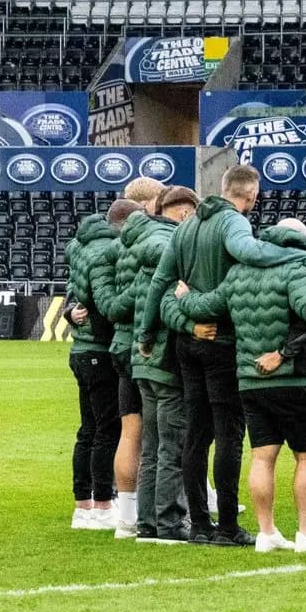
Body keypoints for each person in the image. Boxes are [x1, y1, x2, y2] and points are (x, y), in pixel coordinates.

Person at [165, 217, 306, 554]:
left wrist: (184, 297)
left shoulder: (238, 273)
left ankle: (266, 532)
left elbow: (208, 306)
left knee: (263, 457)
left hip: (250, 380)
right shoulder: (296, 270)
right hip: (295, 377)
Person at [150, 163, 306, 547]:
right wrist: (293, 257)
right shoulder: (232, 222)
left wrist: (145, 331)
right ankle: (227, 527)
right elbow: (247, 251)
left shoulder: (185, 225)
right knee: (228, 434)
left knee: (196, 434)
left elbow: (161, 280)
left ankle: (199, 524)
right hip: (222, 340)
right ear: (250, 196)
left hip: (189, 345)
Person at [129, 186, 199, 544]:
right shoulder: (169, 246)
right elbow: (168, 306)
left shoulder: (144, 243)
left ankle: (148, 523)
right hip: (165, 359)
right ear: (185, 214)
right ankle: (169, 523)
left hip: (143, 361)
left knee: (153, 448)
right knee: (171, 446)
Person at [100, 177, 166, 537]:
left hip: (120, 347)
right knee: (157, 432)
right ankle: (157, 510)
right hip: (144, 345)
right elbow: (124, 300)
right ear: (146, 204)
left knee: (130, 431)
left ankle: (125, 516)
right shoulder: (146, 242)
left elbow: (107, 299)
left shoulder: (112, 248)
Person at [65, 199, 136, 529]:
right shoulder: (109, 249)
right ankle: (104, 505)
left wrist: (71, 313)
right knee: (108, 429)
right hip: (99, 347)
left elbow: (74, 292)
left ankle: (84, 505)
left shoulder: (79, 245)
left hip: (81, 349)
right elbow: (102, 299)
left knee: (89, 430)